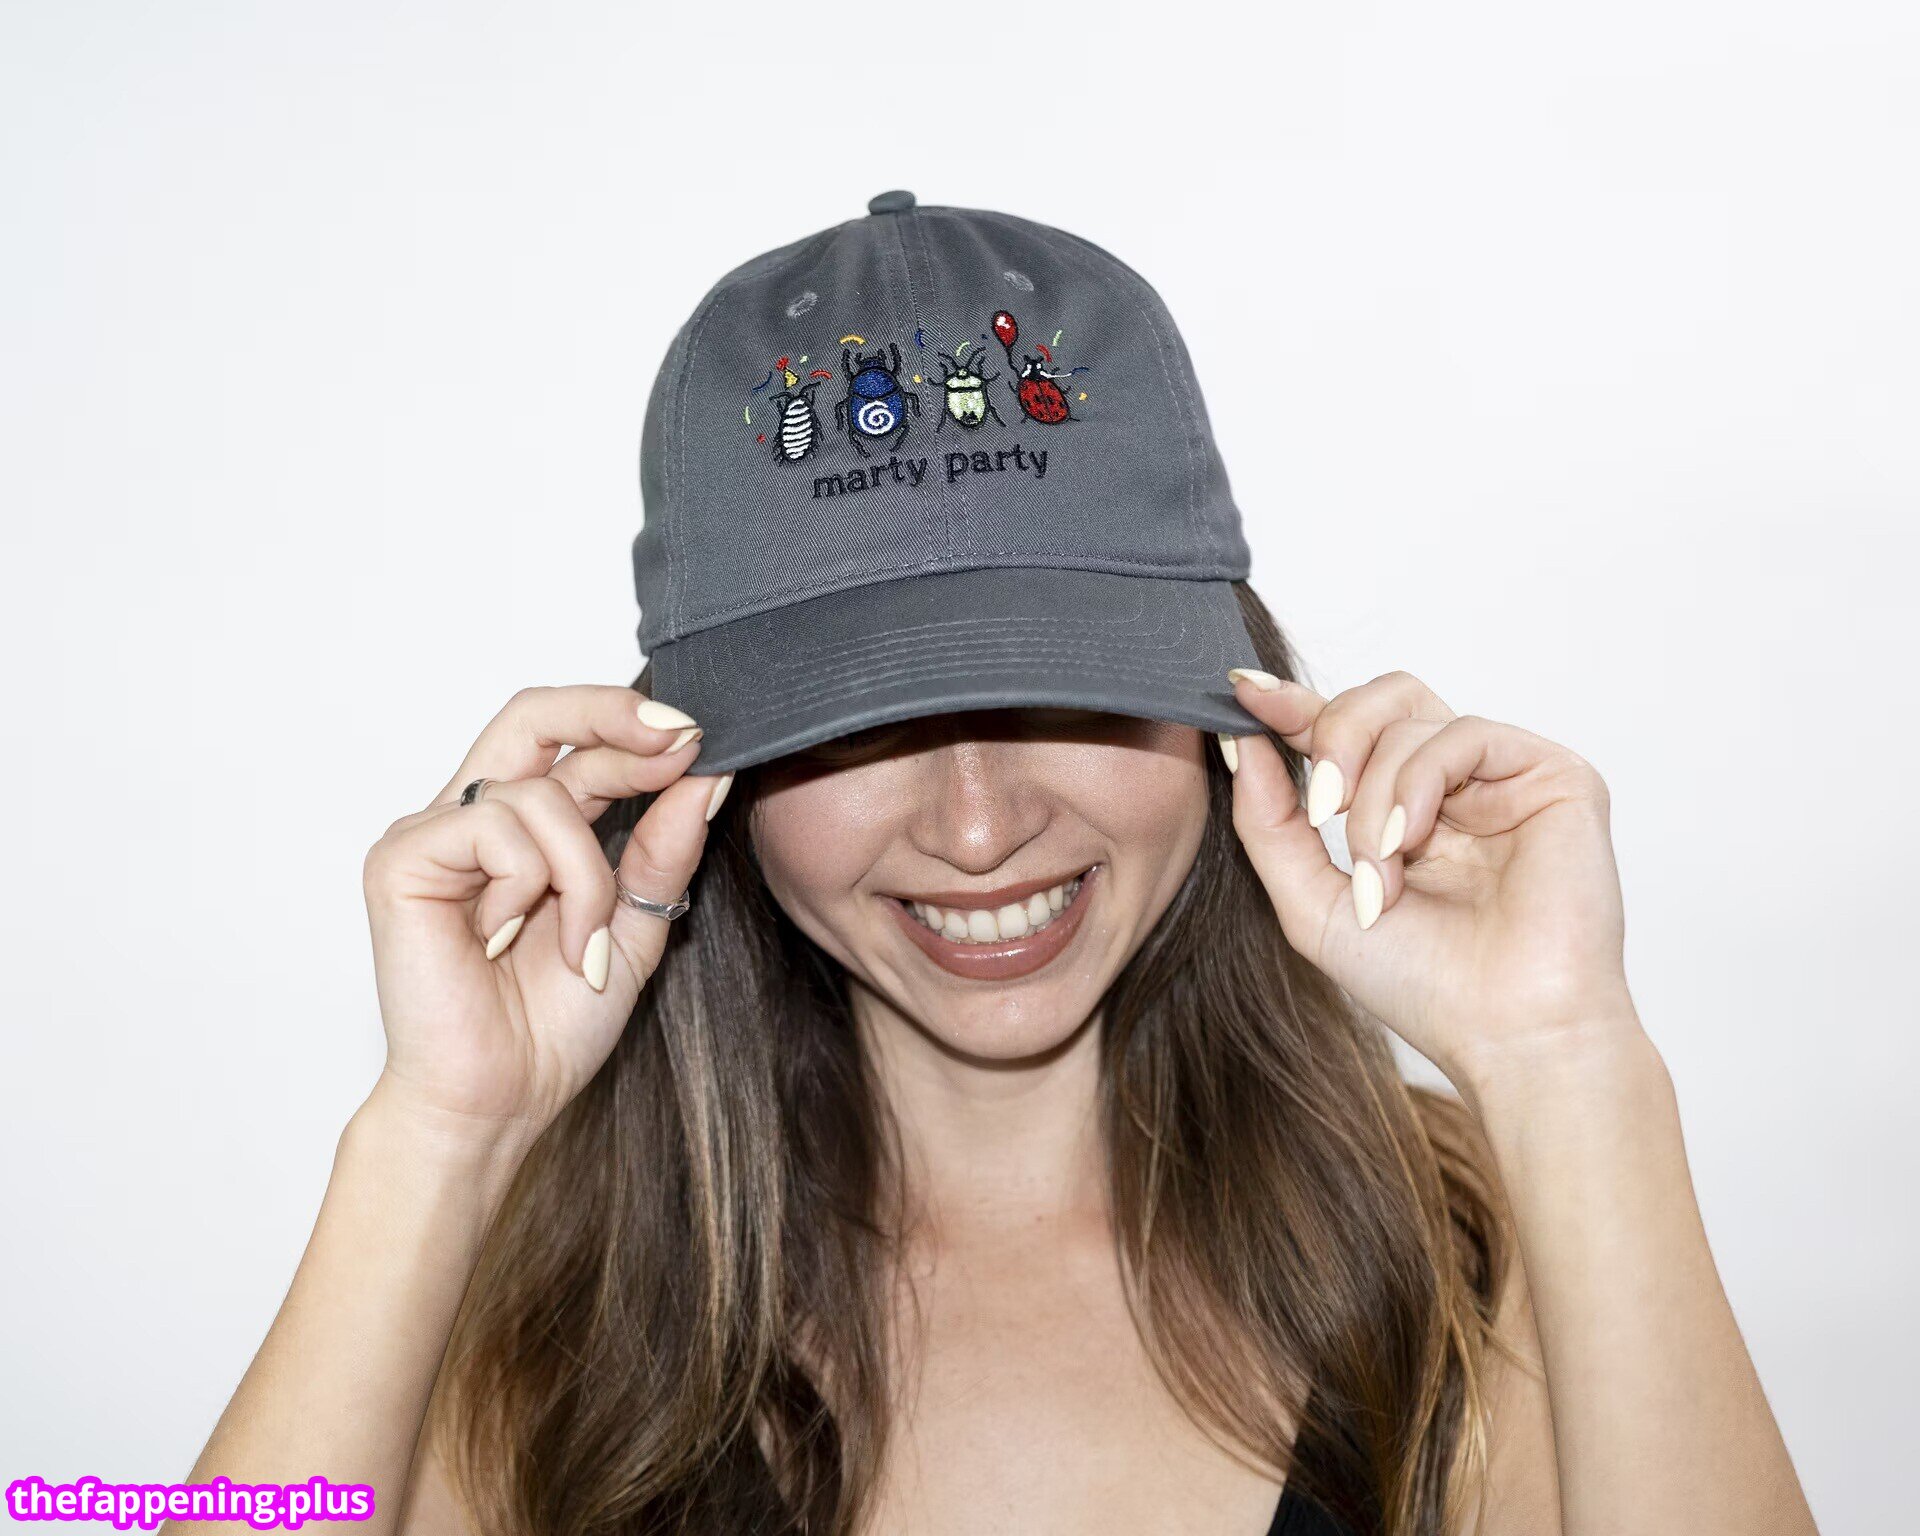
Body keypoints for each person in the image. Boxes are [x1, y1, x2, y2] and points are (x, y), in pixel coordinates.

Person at [169, 194, 1817, 1536]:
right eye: (858, 729)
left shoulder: (1456, 1257)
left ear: (1231, 706)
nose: (975, 826)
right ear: (692, 779)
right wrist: (439, 1137)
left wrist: (1569, 1063)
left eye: (1062, 694)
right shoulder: (576, 1313)